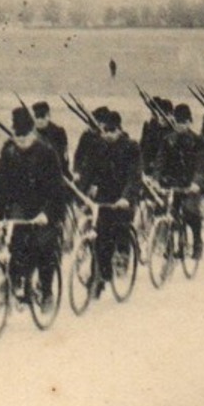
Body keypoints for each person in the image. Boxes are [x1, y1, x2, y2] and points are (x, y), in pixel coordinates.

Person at [0, 106, 66, 303]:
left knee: (43, 246)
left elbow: (56, 190)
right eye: (18, 137)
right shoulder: (9, 150)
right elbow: (1, 182)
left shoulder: (47, 153)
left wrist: (47, 214)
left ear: (33, 133)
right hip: (21, 206)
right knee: (14, 239)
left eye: (25, 136)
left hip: (45, 207)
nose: (21, 141)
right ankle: (14, 282)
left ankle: (47, 291)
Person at [75, 109, 143, 296]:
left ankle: (122, 254)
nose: (108, 135)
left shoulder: (131, 147)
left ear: (120, 130)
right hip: (104, 198)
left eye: (112, 131)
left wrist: (126, 198)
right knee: (99, 236)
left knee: (117, 229)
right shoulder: (98, 146)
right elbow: (87, 172)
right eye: (105, 130)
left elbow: (134, 177)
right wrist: (81, 196)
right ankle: (98, 277)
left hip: (123, 199)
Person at [156, 102, 204, 259]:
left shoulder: (198, 140)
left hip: (192, 183)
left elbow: (202, 164)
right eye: (177, 122)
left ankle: (197, 241)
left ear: (189, 122)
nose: (180, 126)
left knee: (191, 212)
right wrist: (156, 178)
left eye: (183, 122)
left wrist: (196, 183)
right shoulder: (168, 140)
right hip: (174, 182)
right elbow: (161, 161)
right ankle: (171, 245)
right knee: (171, 211)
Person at [31, 101, 69, 165]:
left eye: (42, 116)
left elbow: (64, 158)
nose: (40, 120)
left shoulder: (59, 133)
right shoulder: (30, 134)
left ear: (48, 116)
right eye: (37, 116)